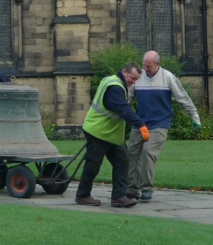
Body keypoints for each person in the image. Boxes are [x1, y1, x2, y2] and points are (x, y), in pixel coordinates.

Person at [127, 50, 202, 202]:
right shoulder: (139, 78)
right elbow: (127, 98)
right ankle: (132, 190)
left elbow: (183, 98)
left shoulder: (168, 77)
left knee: (148, 152)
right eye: (144, 65)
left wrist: (195, 118)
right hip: (140, 123)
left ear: (158, 64)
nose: (146, 69)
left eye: (148, 66)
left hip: (160, 123)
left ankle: (147, 188)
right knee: (132, 153)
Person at [75, 62, 150, 208]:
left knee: (122, 161)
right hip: (99, 131)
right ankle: (82, 195)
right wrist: (140, 124)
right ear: (124, 72)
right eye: (132, 78)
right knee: (93, 163)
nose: (133, 83)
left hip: (110, 134)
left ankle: (119, 197)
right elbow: (122, 108)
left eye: (136, 80)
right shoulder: (115, 87)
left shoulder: (112, 81)